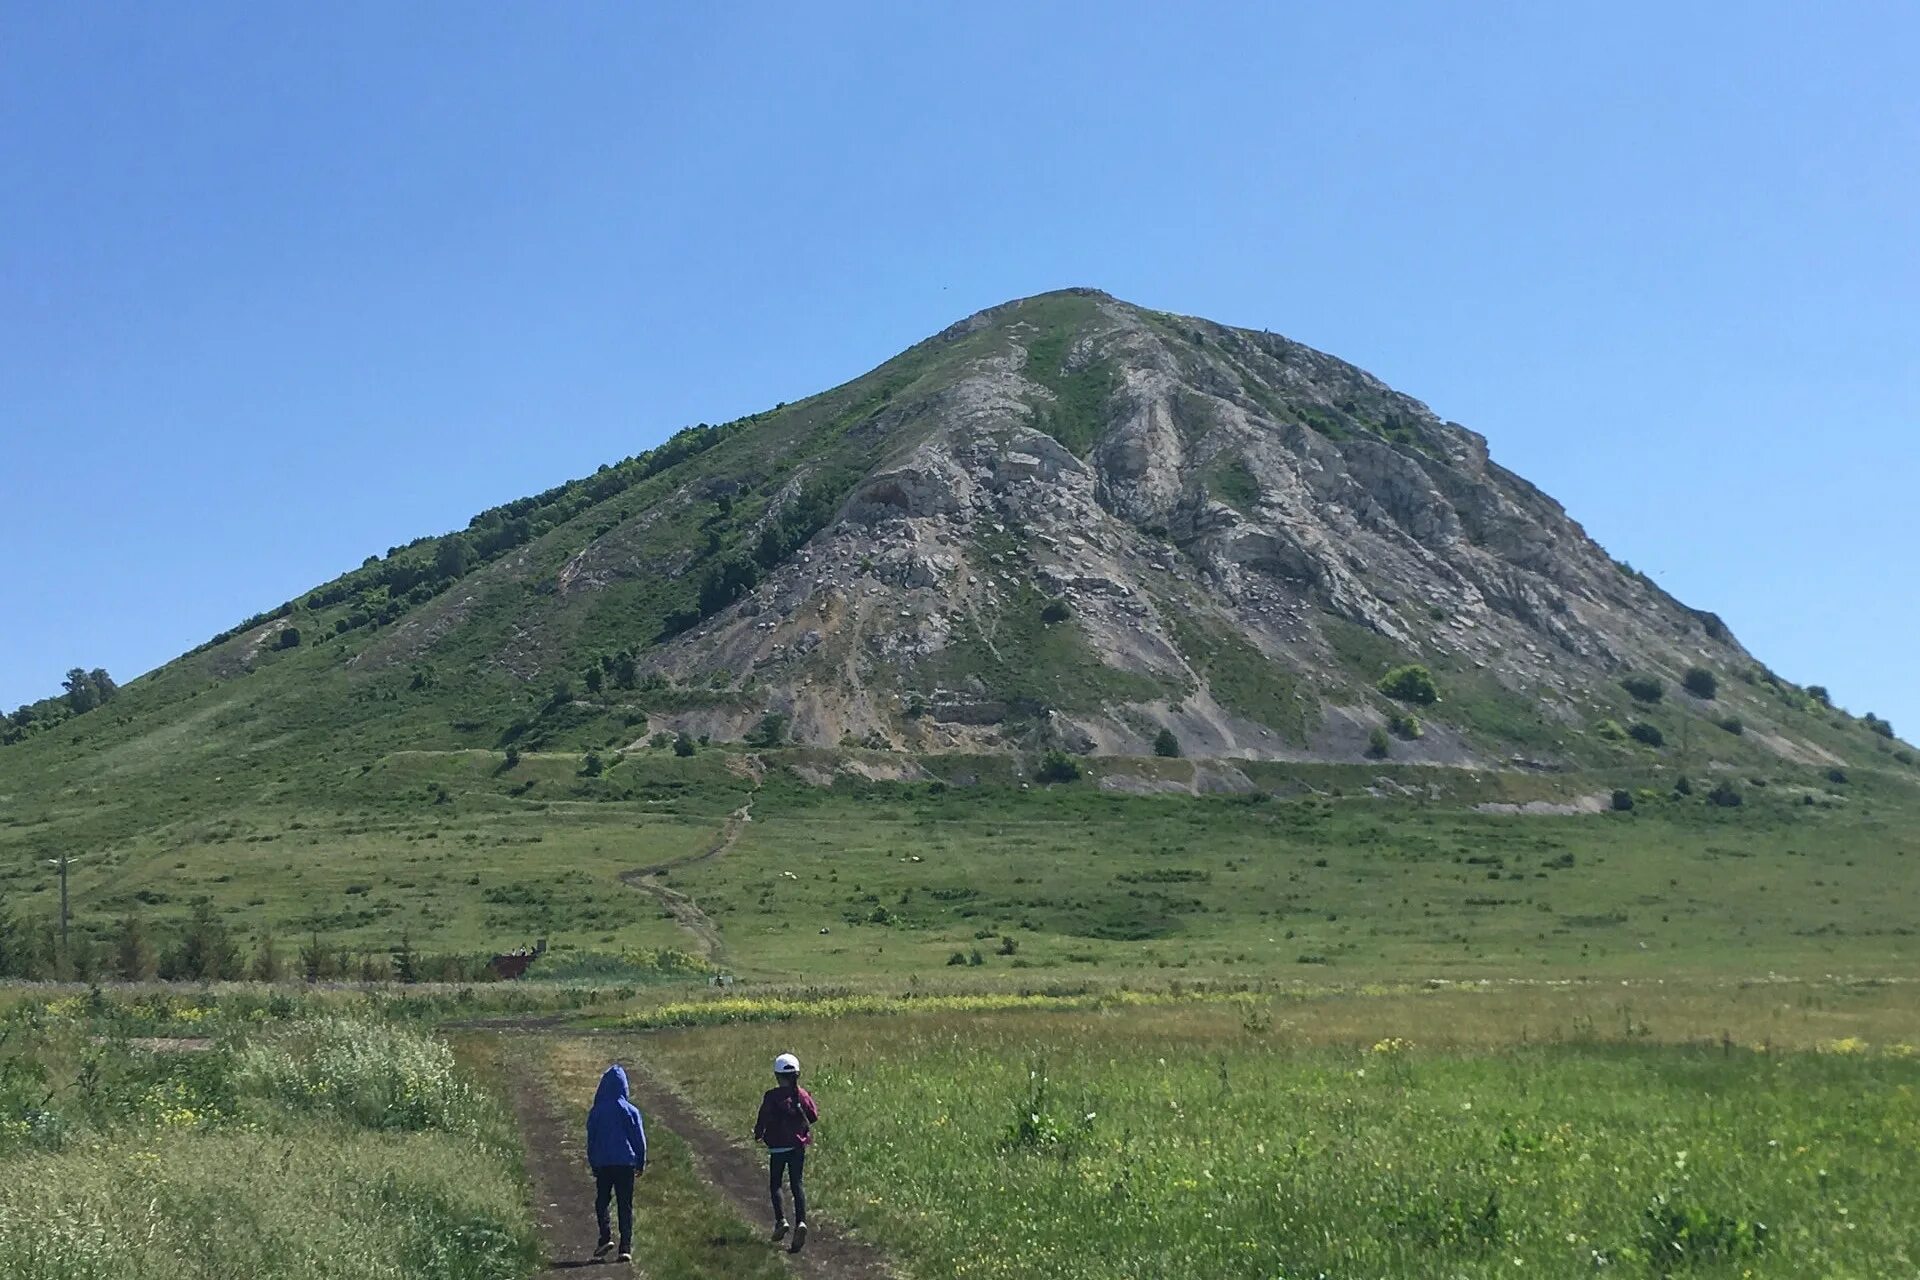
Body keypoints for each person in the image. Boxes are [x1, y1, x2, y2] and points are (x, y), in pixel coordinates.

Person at [753, 1051, 819, 1253]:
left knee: (776, 1184)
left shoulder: (771, 1096)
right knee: (797, 1183)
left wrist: (758, 1134)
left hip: (777, 1147)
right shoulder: (801, 1094)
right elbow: (813, 1116)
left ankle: (781, 1220)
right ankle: (801, 1222)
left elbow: (762, 1119)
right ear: (797, 1074)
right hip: (797, 1146)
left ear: (777, 1075)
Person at [586, 1064, 647, 1263]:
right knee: (625, 1205)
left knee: (602, 1201)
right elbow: (639, 1139)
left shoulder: (596, 1111)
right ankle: (625, 1247)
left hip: (604, 1163)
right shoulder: (630, 1110)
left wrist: (593, 1162)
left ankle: (605, 1236)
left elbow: (592, 1139)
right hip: (625, 1163)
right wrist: (640, 1161)